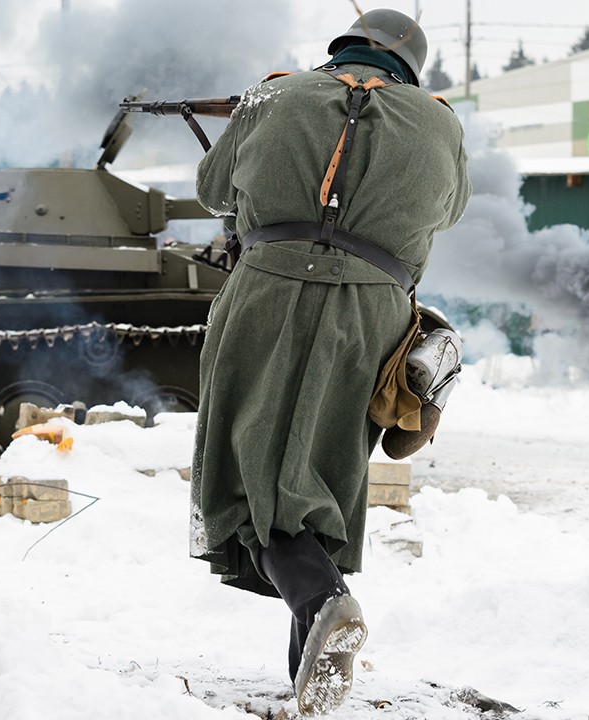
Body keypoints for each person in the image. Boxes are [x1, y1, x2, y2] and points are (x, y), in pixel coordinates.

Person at [188, 9, 471, 716]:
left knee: (252, 471)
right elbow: (450, 209)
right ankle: (310, 673)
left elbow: (212, 189)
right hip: (372, 310)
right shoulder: (440, 122)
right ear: (412, 64)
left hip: (266, 293)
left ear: (342, 47)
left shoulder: (273, 94)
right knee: (325, 472)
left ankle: (324, 604)